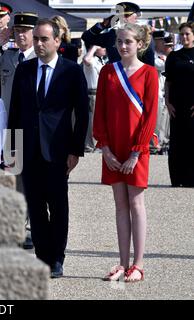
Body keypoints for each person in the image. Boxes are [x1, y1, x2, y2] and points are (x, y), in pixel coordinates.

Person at [7, 19, 89, 278]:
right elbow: (15, 110)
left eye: (44, 39)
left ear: (57, 41)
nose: (39, 43)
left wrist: (76, 150)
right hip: (29, 149)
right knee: (36, 206)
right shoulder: (25, 69)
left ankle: (57, 258)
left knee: (58, 206)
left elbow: (82, 113)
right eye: (37, 39)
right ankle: (42, 258)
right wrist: (12, 147)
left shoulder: (71, 71)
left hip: (58, 151)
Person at [93, 23, 158, 282]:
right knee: (120, 205)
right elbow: (100, 113)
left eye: (128, 41)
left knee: (135, 203)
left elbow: (151, 116)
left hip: (136, 149)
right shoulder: (108, 71)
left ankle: (138, 265)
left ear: (140, 45)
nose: (122, 46)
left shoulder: (149, 73)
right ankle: (122, 263)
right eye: (119, 41)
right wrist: (104, 148)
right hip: (112, 148)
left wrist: (136, 152)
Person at [0, 11, 38, 250]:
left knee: (36, 180)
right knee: (16, 179)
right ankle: (19, 228)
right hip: (11, 129)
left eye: (25, 31)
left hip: (35, 129)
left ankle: (37, 227)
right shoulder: (8, 57)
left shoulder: (42, 58)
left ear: (34, 32)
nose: (21, 35)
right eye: (17, 30)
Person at [164, 21, 194, 187]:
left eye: (187, 34)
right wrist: (168, 102)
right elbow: (168, 81)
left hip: (192, 106)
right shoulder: (174, 56)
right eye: (182, 34)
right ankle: (177, 178)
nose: (184, 37)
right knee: (177, 143)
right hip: (176, 106)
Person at [82, 2, 155, 66]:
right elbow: (86, 37)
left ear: (136, 17)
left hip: (134, 78)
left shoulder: (144, 36)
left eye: (126, 16)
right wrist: (103, 25)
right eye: (120, 16)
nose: (123, 19)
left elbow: (149, 64)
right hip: (114, 76)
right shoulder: (112, 34)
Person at [82, 43, 107, 152]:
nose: (105, 49)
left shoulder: (101, 60)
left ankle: (96, 144)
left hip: (101, 93)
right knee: (92, 120)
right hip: (92, 93)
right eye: (102, 47)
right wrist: (94, 48)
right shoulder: (91, 60)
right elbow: (86, 59)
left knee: (99, 120)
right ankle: (90, 145)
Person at [152, 30, 172, 154]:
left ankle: (163, 144)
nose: (165, 45)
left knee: (164, 122)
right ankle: (155, 146)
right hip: (156, 94)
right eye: (162, 42)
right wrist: (167, 59)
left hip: (164, 93)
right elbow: (162, 66)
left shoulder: (164, 56)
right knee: (157, 123)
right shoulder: (152, 56)